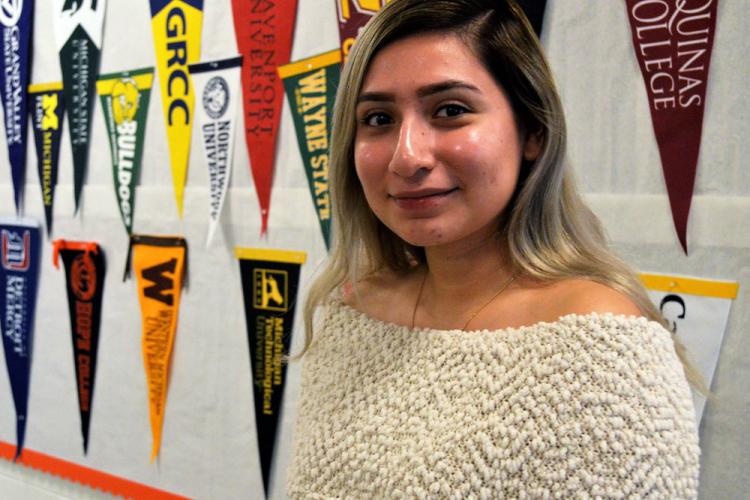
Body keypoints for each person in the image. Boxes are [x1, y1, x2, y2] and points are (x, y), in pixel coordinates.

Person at [287, 0, 701, 497]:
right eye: (378, 118)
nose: (407, 156)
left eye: (450, 111)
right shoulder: (350, 310)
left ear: (533, 132)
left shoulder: (601, 350)